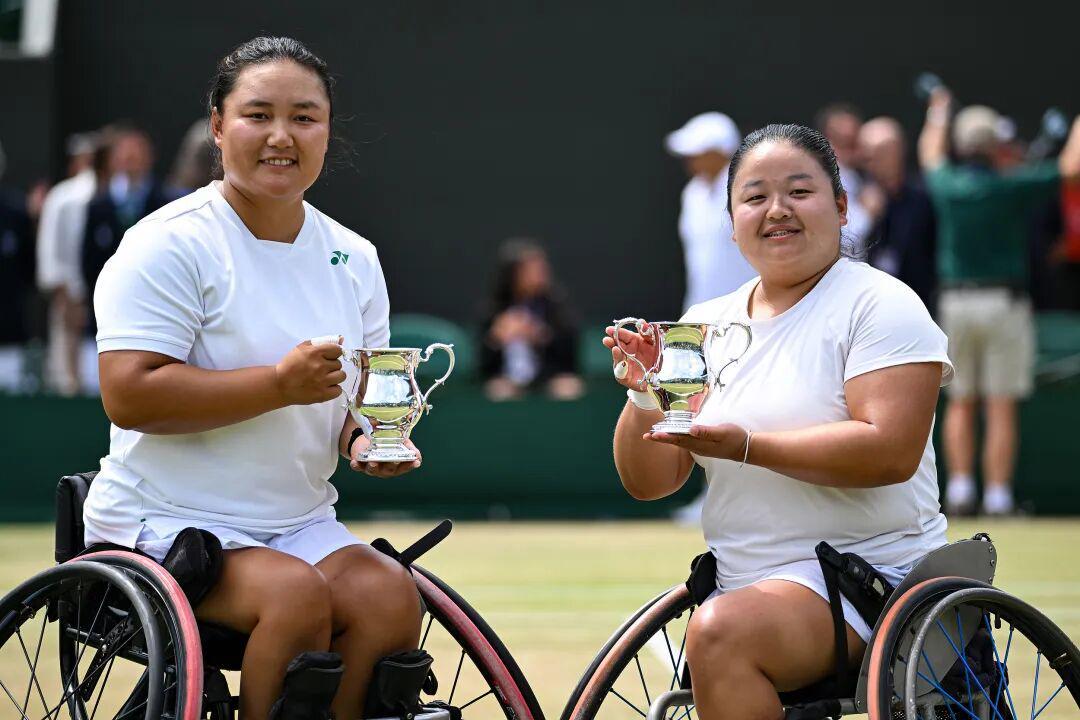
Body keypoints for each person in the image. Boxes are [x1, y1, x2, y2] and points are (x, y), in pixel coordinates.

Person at [83, 37, 422, 719]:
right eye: (258, 115)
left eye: (304, 117)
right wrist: (277, 385)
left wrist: (365, 441)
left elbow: (354, 402)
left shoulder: (354, 256)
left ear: (327, 130)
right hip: (163, 522)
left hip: (299, 523)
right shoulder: (168, 242)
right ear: (217, 126)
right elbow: (129, 394)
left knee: (390, 595)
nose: (281, 136)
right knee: (294, 597)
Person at [604, 124, 953, 719]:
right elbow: (650, 482)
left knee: (721, 633)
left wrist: (747, 446)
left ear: (841, 207)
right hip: (742, 585)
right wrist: (643, 397)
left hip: (874, 583)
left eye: (799, 191)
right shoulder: (703, 322)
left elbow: (889, 451)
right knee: (722, 624)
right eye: (755, 196)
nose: (777, 210)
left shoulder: (882, 303)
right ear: (731, 221)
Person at [919, 88, 1080, 515]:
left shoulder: (948, 185)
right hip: (1004, 305)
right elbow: (1072, 167)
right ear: (994, 147)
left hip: (956, 305)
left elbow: (929, 152)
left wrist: (938, 112)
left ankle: (960, 492)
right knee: (1000, 403)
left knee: (960, 401)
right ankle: (997, 496)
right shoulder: (1012, 185)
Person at [665, 112, 757, 312]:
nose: (690, 160)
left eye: (699, 152)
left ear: (720, 152)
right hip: (700, 310)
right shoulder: (692, 192)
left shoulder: (750, 188)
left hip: (747, 311)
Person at [480, 237, 584, 400]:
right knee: (499, 391)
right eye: (529, 270)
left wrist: (539, 334)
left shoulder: (556, 308)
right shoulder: (493, 310)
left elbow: (570, 357)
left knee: (568, 388)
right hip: (507, 379)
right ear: (512, 274)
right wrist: (496, 338)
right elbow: (482, 365)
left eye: (541, 269)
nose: (539, 275)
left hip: (548, 377)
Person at [37, 131, 101, 395]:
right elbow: (50, 254)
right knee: (67, 377)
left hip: (100, 296)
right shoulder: (63, 196)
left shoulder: (107, 195)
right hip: (70, 298)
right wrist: (66, 298)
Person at [857, 116, 938, 313]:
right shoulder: (853, 198)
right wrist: (865, 218)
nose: (872, 161)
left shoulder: (924, 197)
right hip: (871, 305)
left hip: (920, 302)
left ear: (899, 151)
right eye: (867, 154)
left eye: (881, 153)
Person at [815, 103, 874, 255]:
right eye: (843, 141)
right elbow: (842, 235)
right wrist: (868, 212)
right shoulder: (821, 179)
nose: (851, 151)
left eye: (854, 143)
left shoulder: (861, 176)